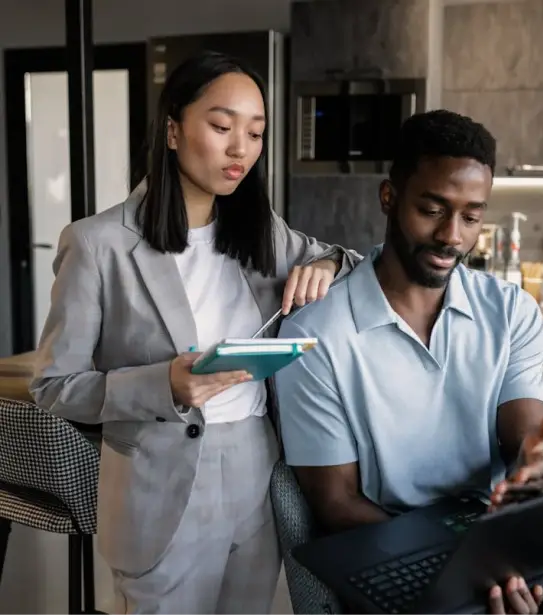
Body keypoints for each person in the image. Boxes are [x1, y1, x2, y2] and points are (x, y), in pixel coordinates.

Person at [30, 50, 359, 615]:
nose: (241, 149)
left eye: (255, 133)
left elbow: (352, 261)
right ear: (174, 130)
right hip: (158, 485)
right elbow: (55, 386)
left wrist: (326, 265)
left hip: (256, 466)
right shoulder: (97, 243)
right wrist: (165, 386)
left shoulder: (263, 233)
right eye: (221, 126)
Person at [275, 109, 543, 615]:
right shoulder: (314, 334)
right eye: (432, 210)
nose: (452, 235)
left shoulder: (509, 310)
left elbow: (530, 435)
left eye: (471, 216)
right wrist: (464, 561)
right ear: (389, 198)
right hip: (395, 555)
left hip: (502, 553)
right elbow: (336, 504)